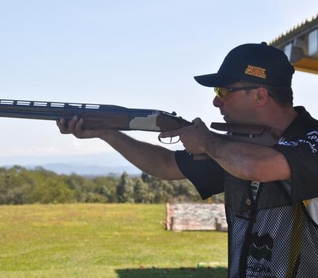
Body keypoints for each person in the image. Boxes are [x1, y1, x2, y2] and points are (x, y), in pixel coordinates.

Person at [57, 42, 318, 277]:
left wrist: (206, 141)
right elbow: (165, 165)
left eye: (224, 91)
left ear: (260, 95)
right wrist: (105, 132)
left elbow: (256, 167)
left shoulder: (311, 141)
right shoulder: (238, 147)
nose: (216, 101)